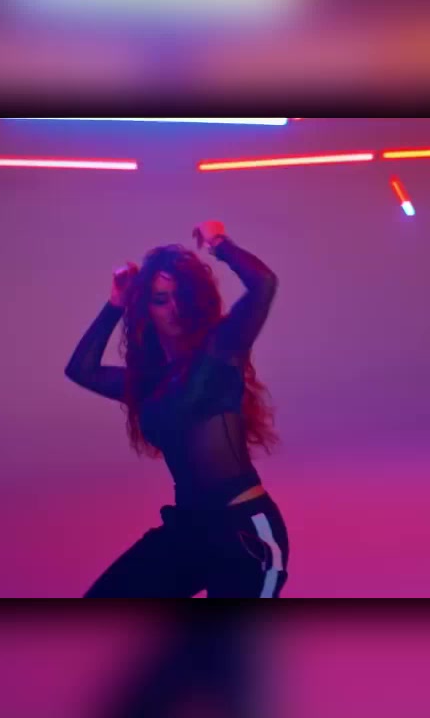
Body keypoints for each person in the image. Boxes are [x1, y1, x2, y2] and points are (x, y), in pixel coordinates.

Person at [65, 220, 289, 598]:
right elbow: (81, 370)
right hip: (190, 531)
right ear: (146, 309)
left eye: (181, 297)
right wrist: (117, 302)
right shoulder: (148, 383)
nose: (174, 308)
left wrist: (219, 243)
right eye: (160, 299)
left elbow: (264, 284)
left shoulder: (220, 352)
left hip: (244, 533)